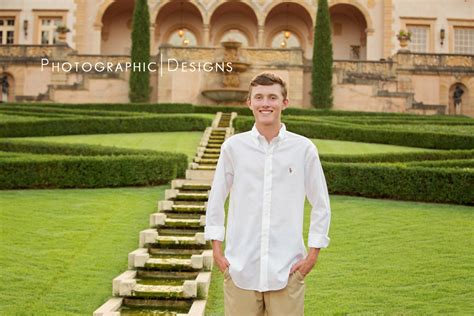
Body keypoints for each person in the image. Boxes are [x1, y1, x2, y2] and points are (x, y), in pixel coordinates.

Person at [205, 72, 331, 316]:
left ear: (284, 103)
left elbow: (321, 204)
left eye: (272, 97)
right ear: (249, 103)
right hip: (240, 266)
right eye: (259, 97)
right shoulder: (233, 148)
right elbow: (217, 198)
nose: (265, 103)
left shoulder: (303, 149)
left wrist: (312, 255)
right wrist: (217, 251)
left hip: (287, 269)